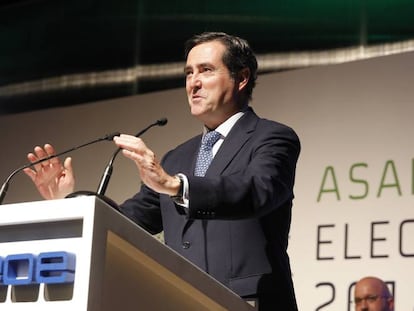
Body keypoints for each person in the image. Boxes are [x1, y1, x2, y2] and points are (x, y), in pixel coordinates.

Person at [23, 32, 301, 310]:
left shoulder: (272, 137)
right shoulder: (178, 157)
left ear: (241, 78)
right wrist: (66, 204)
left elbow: (257, 191)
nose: (194, 83)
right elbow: (126, 222)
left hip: (249, 302)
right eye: (189, 73)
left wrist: (176, 186)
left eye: (206, 70)